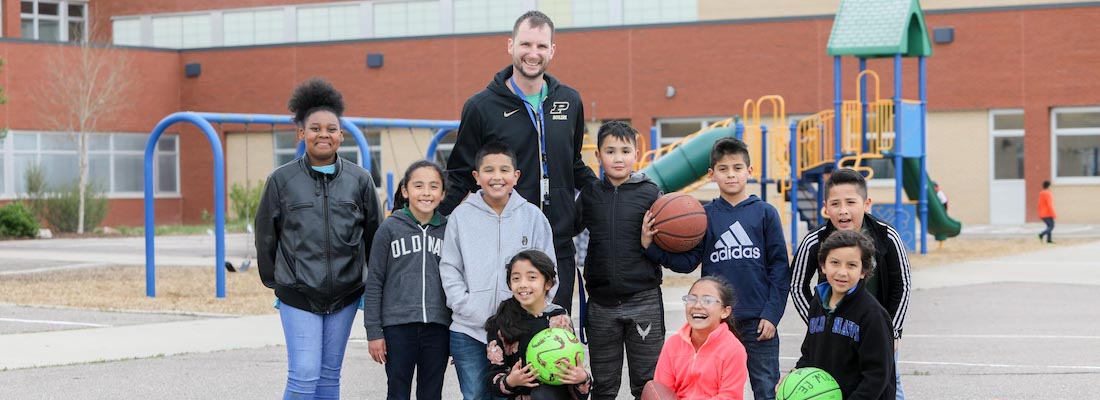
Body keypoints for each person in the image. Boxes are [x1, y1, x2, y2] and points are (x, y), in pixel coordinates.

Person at [441, 10, 598, 314]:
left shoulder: (570, 101)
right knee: (505, 342)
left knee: (550, 341)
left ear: (552, 50)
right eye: (526, 44)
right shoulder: (481, 107)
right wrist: (428, 217)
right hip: (504, 243)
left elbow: (573, 163)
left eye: (541, 46)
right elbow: (460, 174)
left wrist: (611, 192)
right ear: (510, 45)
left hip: (558, 240)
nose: (533, 54)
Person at [255, 77, 382, 400]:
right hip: (298, 295)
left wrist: (366, 287)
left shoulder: (360, 180)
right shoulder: (281, 180)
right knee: (304, 374)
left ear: (341, 134)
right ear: (301, 133)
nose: (323, 134)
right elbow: (266, 237)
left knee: (328, 378)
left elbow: (374, 237)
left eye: (331, 128)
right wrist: (279, 282)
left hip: (345, 294)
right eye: (314, 128)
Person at [642, 138, 790, 400]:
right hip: (716, 321)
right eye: (723, 169)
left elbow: (779, 267)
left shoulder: (766, 213)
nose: (731, 174)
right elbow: (689, 262)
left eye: (737, 167)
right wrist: (650, 247)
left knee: (765, 389)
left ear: (750, 171)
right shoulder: (704, 215)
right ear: (711, 174)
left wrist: (772, 315)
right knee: (712, 389)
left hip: (758, 319)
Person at [439, 142, 558, 400]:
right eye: (489, 170)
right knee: (474, 396)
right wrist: (465, 305)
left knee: (515, 395)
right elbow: (449, 267)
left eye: (504, 170)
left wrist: (534, 312)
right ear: (476, 176)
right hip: (469, 330)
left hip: (518, 329)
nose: (496, 177)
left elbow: (549, 270)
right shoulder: (460, 216)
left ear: (516, 176)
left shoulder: (532, 217)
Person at [789, 168, 912, 400]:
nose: (843, 210)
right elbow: (797, 286)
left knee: (885, 382)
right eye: (835, 204)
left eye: (850, 202)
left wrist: (893, 332)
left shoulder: (886, 236)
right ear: (826, 207)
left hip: (875, 329)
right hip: (836, 334)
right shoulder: (814, 241)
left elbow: (902, 285)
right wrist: (825, 323)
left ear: (866, 204)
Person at [574, 121, 664, 399]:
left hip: (644, 300)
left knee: (647, 385)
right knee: (604, 386)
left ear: (636, 154)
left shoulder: (651, 193)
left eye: (625, 151)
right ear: (598, 156)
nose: (618, 157)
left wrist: (651, 246)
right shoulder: (590, 195)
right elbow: (566, 230)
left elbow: (666, 244)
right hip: (601, 304)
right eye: (610, 151)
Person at [363, 160, 450, 400]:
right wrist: (373, 332)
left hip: (438, 327)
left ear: (442, 194)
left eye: (433, 187)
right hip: (397, 327)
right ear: (405, 190)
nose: (426, 192)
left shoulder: (449, 229)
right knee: (398, 392)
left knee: (431, 393)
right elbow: (375, 283)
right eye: (418, 185)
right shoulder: (390, 228)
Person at [786, 230, 896, 399]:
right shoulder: (817, 303)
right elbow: (809, 353)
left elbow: (877, 375)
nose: (842, 272)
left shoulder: (872, 315)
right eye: (835, 263)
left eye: (851, 265)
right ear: (823, 266)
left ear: (863, 271)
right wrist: (794, 377)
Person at [485, 250, 592, 400]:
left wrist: (581, 378)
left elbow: (577, 385)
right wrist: (510, 381)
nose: (523, 284)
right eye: (516, 278)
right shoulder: (501, 321)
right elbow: (492, 379)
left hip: (553, 396)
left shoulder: (559, 318)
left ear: (548, 283)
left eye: (532, 278)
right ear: (509, 283)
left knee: (543, 394)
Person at [653, 276, 748, 400]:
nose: (697, 305)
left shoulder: (734, 349)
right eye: (691, 299)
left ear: (725, 311)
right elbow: (662, 390)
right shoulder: (673, 344)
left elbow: (729, 396)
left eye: (707, 301)